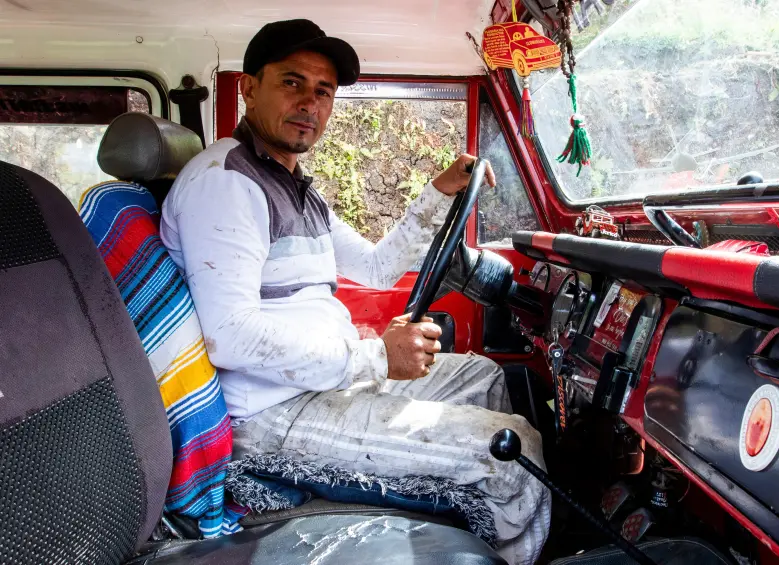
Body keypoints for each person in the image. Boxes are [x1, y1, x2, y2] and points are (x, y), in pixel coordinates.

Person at [160, 19, 550, 564]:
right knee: (514, 452)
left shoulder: (293, 186)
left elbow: (378, 266)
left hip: (321, 384)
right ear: (249, 87)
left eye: (323, 91)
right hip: (275, 415)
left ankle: (467, 524)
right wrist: (374, 357)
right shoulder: (227, 183)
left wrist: (437, 195)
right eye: (292, 83)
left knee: (483, 375)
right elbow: (229, 337)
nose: (310, 103)